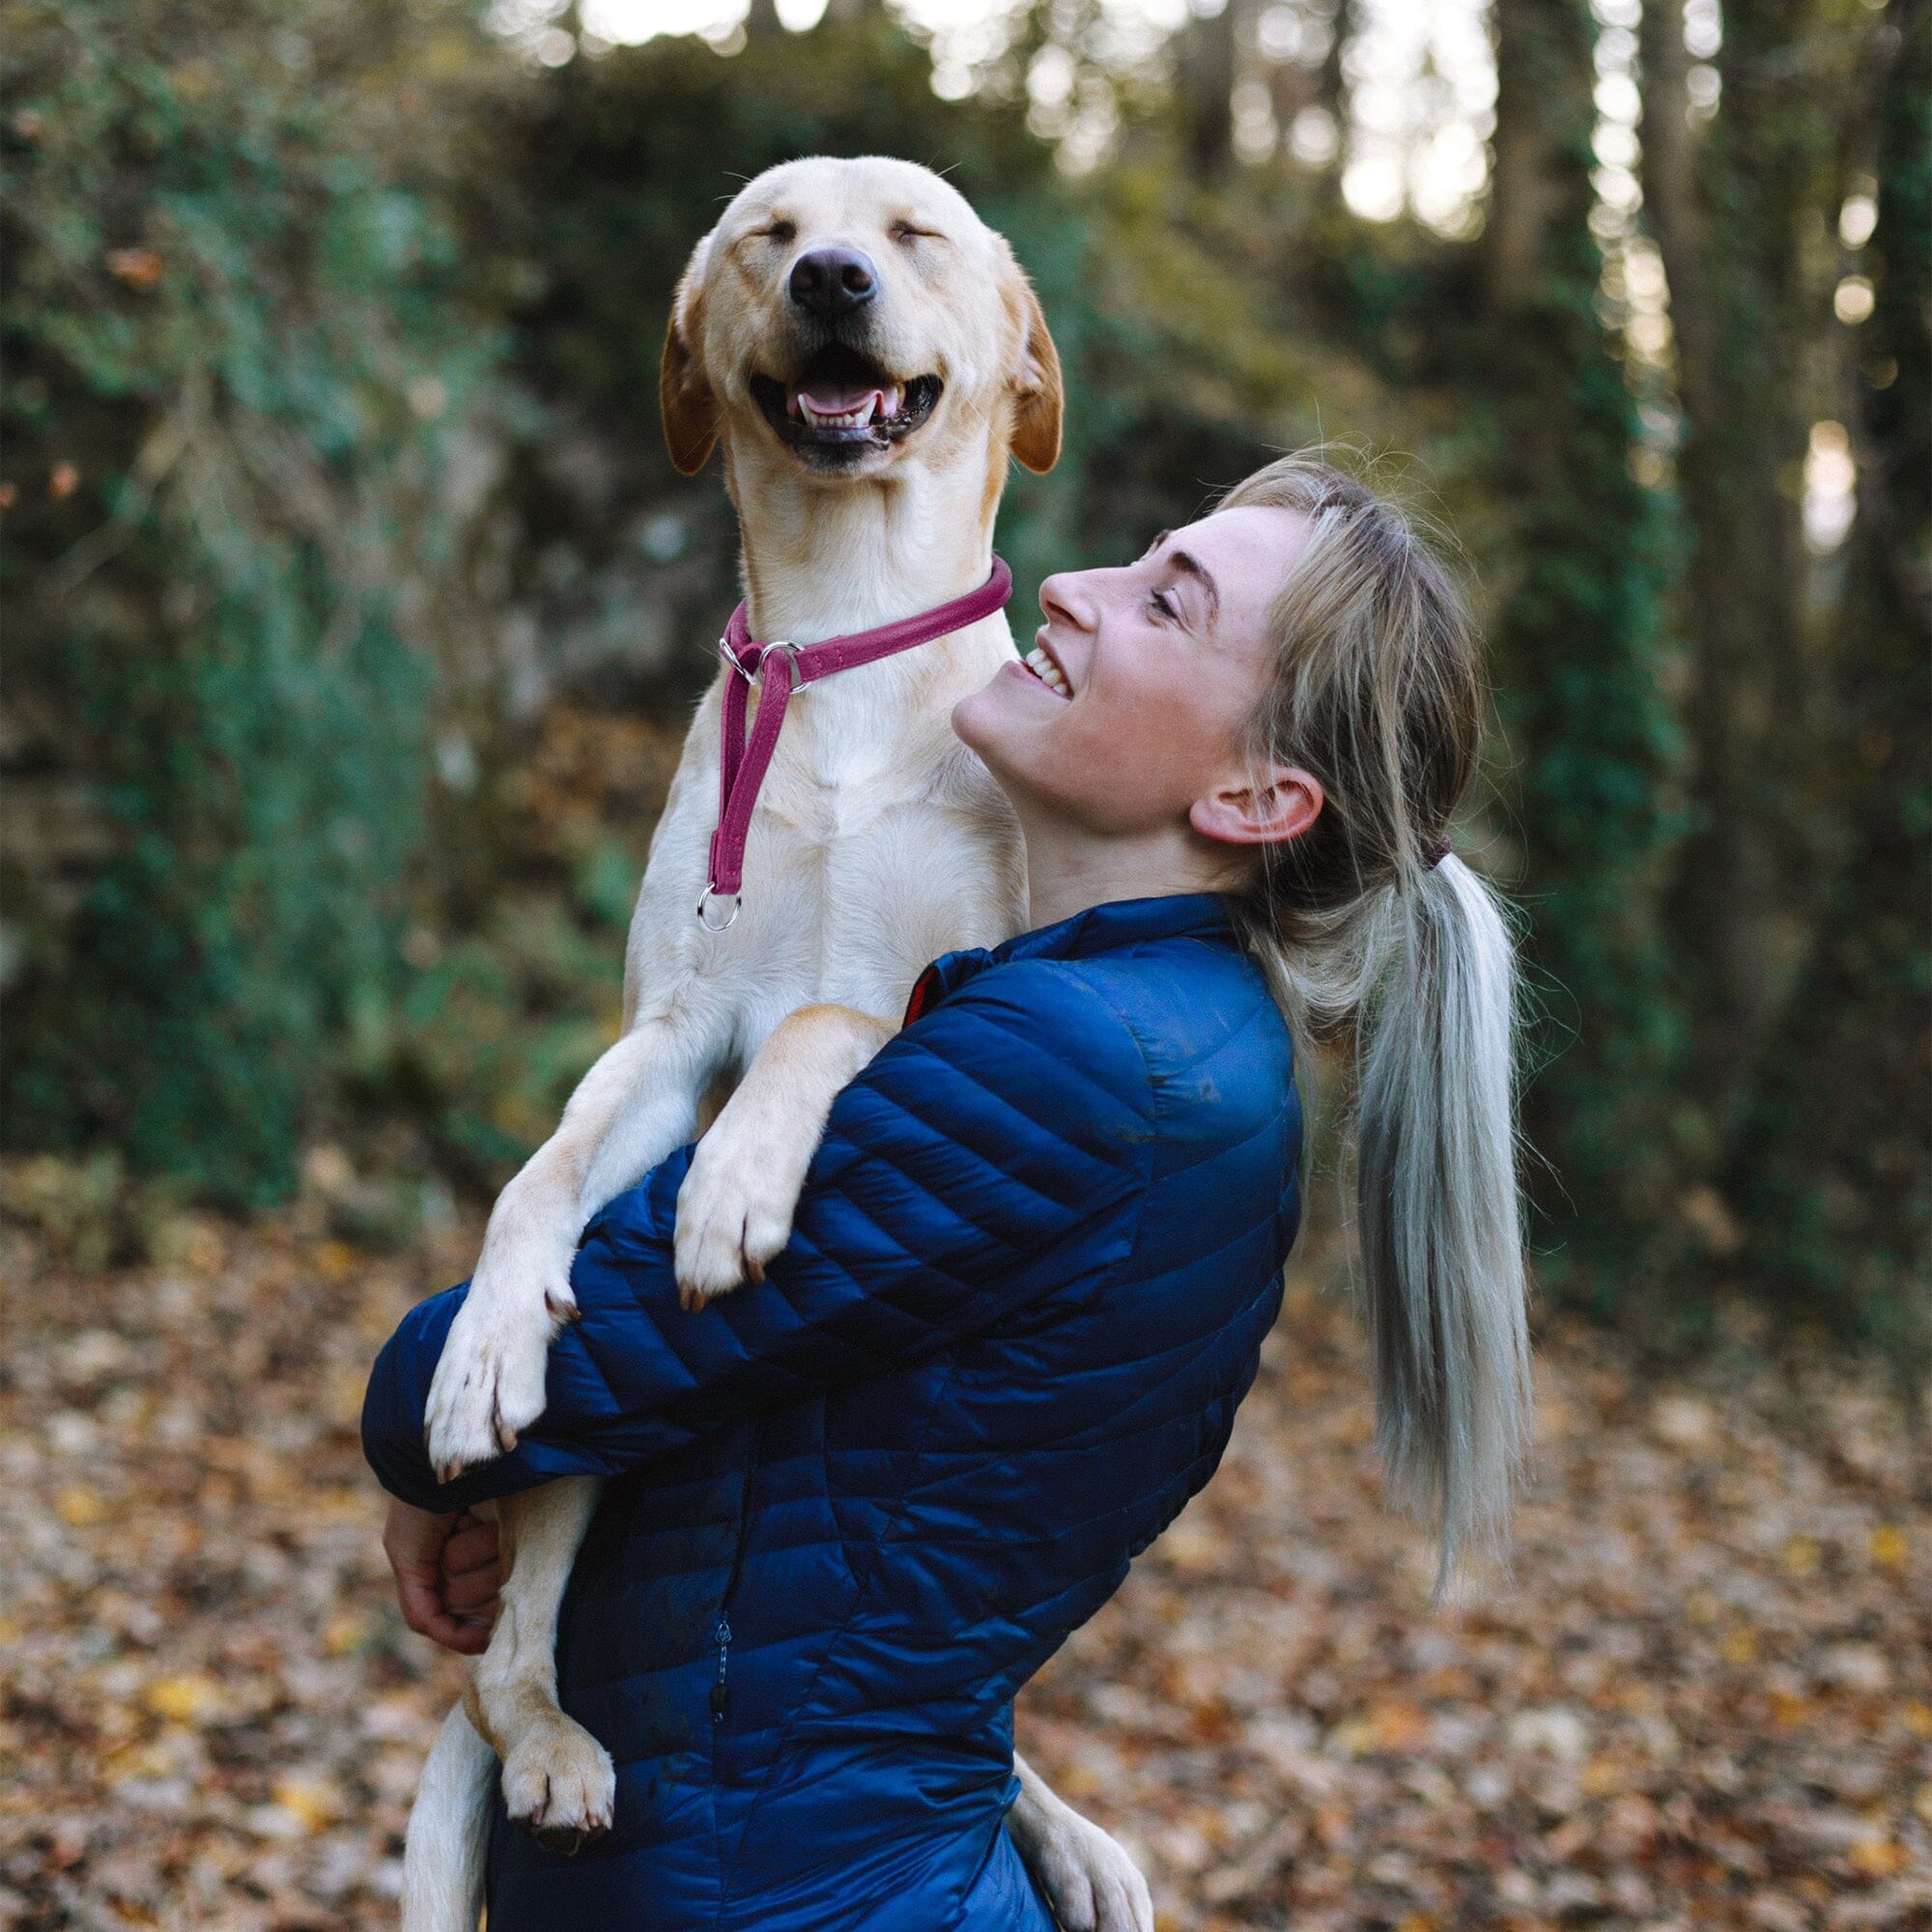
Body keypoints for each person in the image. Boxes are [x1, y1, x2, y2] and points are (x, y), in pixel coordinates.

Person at [363, 453, 1532, 1930]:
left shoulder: (1074, 1068)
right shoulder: (1154, 1033)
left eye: (1164, 603)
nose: (1069, 587)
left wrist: (425, 1444)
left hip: (771, 1891)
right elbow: (857, 1508)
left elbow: (511, 1375)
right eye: (1137, 553)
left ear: (1254, 795)